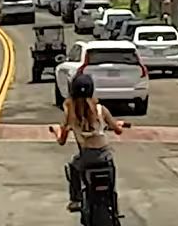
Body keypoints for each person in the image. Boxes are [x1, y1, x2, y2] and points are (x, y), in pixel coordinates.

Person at [53, 72, 127, 215]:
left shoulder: (70, 115)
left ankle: (76, 200)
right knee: (111, 188)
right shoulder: (101, 110)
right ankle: (115, 216)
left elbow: (61, 140)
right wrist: (119, 125)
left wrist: (57, 130)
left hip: (86, 158)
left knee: (74, 167)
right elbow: (118, 130)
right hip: (105, 157)